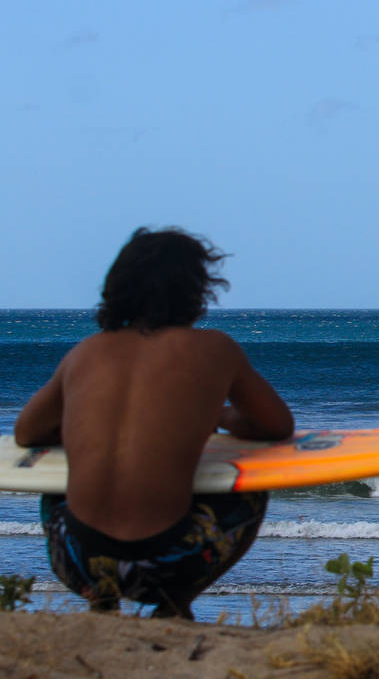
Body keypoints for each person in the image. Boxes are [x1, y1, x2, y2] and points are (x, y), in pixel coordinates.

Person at [14, 227, 293, 619]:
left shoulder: (85, 353)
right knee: (253, 492)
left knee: (54, 491)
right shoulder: (214, 349)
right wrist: (219, 416)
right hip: (169, 563)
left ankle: (101, 601)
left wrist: (85, 430)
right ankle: (175, 604)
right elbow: (277, 426)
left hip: (79, 557)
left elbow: (26, 433)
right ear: (197, 289)